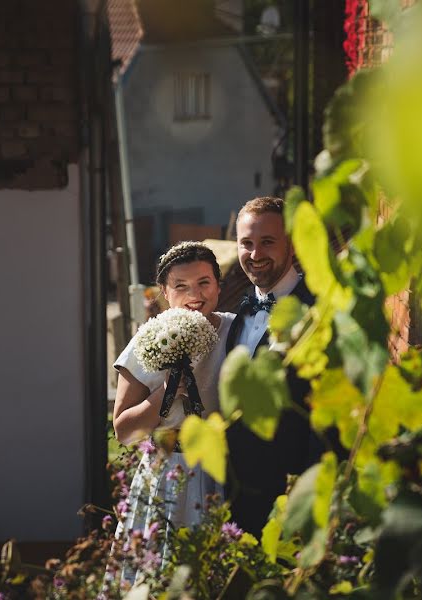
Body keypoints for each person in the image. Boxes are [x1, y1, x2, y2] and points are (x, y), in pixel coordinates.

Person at [111, 241, 236, 550]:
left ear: (218, 286)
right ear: (164, 293)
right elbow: (124, 431)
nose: (195, 295)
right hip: (168, 472)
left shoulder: (236, 330)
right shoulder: (148, 340)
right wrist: (165, 393)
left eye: (203, 283)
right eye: (181, 286)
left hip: (223, 469)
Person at [224, 196, 319, 536]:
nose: (255, 254)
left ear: (291, 243)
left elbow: (323, 416)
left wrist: (306, 499)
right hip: (237, 499)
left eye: (267, 242)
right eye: (246, 243)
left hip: (289, 502)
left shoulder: (317, 313)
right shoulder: (240, 314)